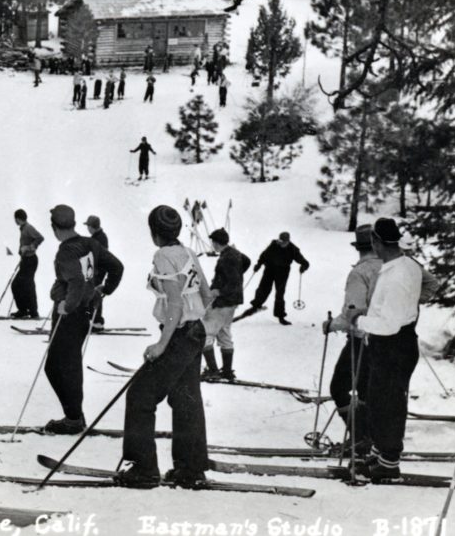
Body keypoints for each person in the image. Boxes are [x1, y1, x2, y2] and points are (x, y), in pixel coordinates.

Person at [115, 205, 211, 489]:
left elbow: (175, 304)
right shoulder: (188, 252)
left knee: (141, 395)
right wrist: (199, 326)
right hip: (194, 333)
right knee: (185, 400)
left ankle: (144, 470)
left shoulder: (163, 255)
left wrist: (162, 344)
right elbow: (206, 294)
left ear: (154, 232)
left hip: (179, 334)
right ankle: (190, 469)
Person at [342, 218, 421, 483]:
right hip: (393, 344)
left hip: (393, 345)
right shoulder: (404, 266)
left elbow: (388, 324)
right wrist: (368, 312)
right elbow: (391, 310)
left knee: (388, 405)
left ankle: (389, 463)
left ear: (376, 242)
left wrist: (358, 320)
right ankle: (380, 453)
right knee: (378, 401)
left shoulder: (397, 275)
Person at [44, 205, 124, 434]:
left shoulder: (66, 251)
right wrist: (103, 290)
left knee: (56, 366)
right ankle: (74, 415)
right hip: (86, 310)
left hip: (70, 314)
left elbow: (77, 281)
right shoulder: (91, 243)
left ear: (54, 228)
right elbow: (117, 267)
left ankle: (73, 419)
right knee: (69, 364)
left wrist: (66, 306)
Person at [323, 225, 379, 456]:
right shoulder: (391, 267)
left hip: (361, 339)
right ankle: (369, 438)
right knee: (366, 389)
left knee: (339, 387)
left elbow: (352, 313)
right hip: (384, 339)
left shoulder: (360, 273)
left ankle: (359, 438)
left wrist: (331, 325)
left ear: (359, 248)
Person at [201, 229, 251, 381]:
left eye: (213, 242)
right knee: (224, 333)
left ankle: (213, 370)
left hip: (223, 302)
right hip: (232, 302)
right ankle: (227, 371)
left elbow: (233, 282)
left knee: (206, 334)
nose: (212, 245)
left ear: (217, 242)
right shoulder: (234, 253)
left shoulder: (226, 258)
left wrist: (218, 291)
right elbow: (247, 261)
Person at [238, 232, 310, 325]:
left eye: (283, 242)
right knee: (263, 288)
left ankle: (280, 316)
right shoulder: (274, 245)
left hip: (282, 272)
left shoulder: (293, 249)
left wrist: (303, 267)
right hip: (269, 269)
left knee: (280, 293)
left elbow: (305, 262)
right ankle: (256, 305)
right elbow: (264, 255)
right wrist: (259, 264)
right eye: (280, 241)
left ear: (288, 241)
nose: (281, 243)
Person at [11, 209, 44, 319]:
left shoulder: (28, 228)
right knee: (18, 285)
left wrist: (30, 247)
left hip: (31, 260)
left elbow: (40, 237)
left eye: (15, 218)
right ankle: (23, 310)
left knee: (27, 285)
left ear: (18, 218)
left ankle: (33, 312)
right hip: (26, 260)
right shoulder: (23, 228)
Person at [85, 215, 109, 329]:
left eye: (88, 226)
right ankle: (94, 320)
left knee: (95, 293)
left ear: (92, 226)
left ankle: (97, 322)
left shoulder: (99, 238)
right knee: (92, 293)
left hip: (98, 270)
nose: (87, 228)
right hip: (96, 270)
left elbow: (97, 256)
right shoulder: (99, 237)